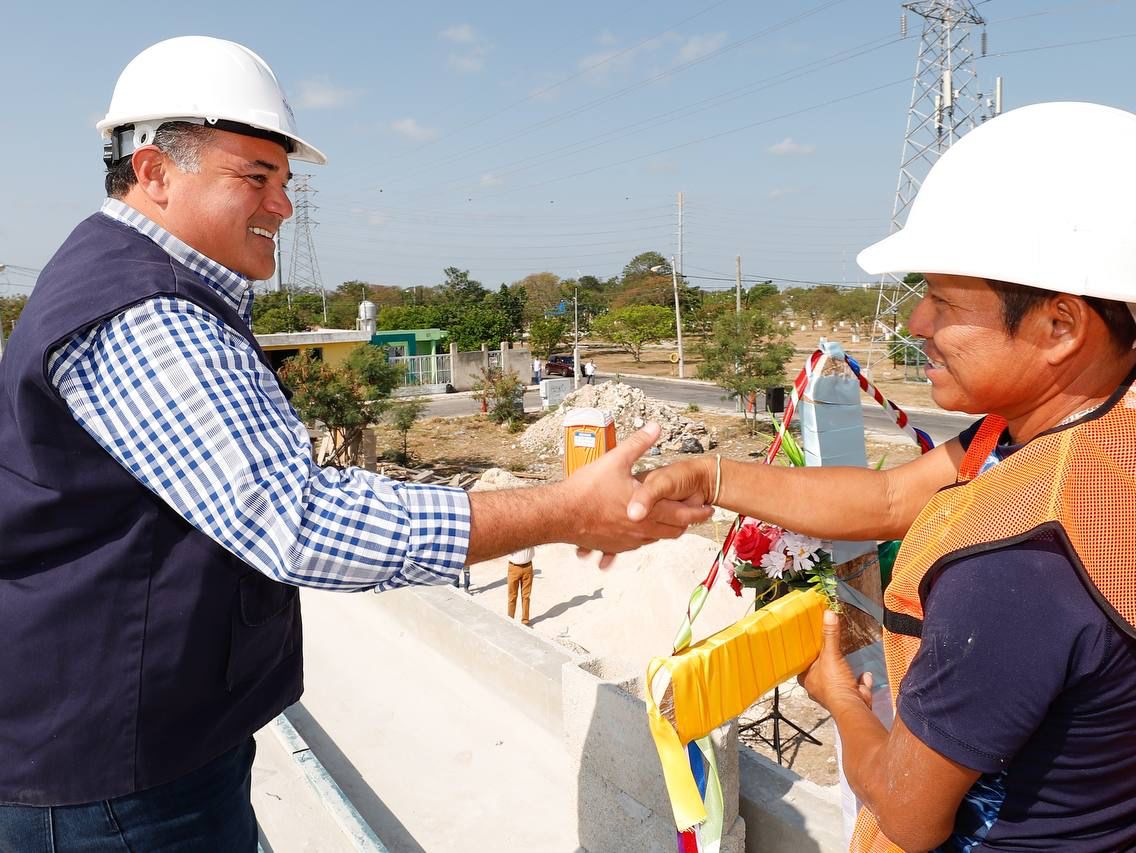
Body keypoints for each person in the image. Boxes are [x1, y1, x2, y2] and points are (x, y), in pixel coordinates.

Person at [0, 36, 708, 851]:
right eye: (256, 177)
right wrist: (562, 510)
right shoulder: (145, 313)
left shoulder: (145, 281)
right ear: (156, 171)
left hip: (139, 746)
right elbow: (297, 521)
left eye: (285, 181)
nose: (283, 206)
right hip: (114, 785)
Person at [631, 102, 1136, 851]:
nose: (916, 325)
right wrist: (712, 477)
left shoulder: (1018, 570)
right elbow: (889, 497)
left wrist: (842, 700)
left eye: (942, 299)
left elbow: (909, 815)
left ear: (1060, 326)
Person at [507, 546, 536, 625]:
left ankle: (525, 621)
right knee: (512, 596)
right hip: (514, 567)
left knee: (526, 596)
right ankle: (510, 620)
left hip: (528, 566)